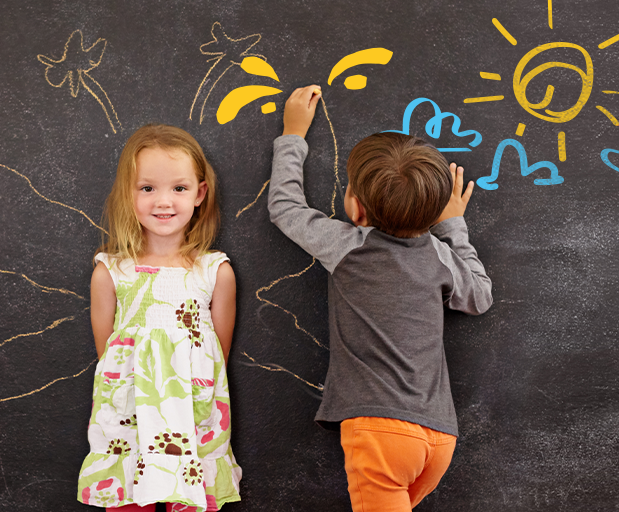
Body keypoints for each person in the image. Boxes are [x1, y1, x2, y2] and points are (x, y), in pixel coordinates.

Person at [268, 86, 493, 511]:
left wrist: (293, 133)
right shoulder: (441, 256)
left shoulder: (348, 247)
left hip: (380, 432)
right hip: (440, 436)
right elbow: (479, 296)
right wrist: (454, 226)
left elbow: (284, 207)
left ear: (356, 210)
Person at [77, 124, 241, 512]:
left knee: (192, 496)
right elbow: (108, 353)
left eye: (179, 188)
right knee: (130, 500)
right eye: (147, 188)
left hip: (193, 408)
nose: (163, 201)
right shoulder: (110, 271)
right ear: (127, 194)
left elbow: (218, 352)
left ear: (200, 193)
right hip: (128, 414)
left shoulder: (214, 271)